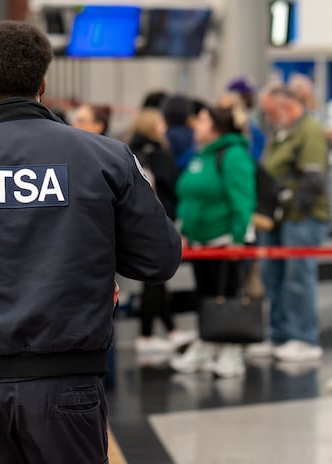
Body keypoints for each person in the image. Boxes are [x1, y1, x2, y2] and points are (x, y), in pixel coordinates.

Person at [0, 20, 182, 463]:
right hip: (69, 387)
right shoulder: (105, 158)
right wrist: (89, 240)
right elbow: (159, 259)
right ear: (43, 84)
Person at [170, 104, 256, 378]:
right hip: (200, 243)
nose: (196, 125)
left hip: (225, 241)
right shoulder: (202, 156)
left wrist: (238, 239)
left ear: (217, 126)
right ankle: (207, 342)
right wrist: (183, 231)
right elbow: (188, 196)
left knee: (227, 296)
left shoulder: (233, 155)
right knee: (206, 297)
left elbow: (243, 200)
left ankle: (232, 350)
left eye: (203, 120)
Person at [247, 86, 329, 363]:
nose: (268, 117)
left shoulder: (310, 132)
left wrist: (289, 206)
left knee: (298, 277)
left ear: (288, 107)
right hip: (277, 219)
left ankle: (304, 337)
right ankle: (280, 334)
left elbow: (314, 179)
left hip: (301, 218)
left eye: (271, 112)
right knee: (273, 274)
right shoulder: (280, 134)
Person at [128, 108, 196, 355]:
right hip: (154, 222)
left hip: (136, 223)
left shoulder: (128, 151)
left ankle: (167, 331)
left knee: (155, 280)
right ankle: (150, 334)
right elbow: (169, 186)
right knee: (153, 280)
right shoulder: (157, 154)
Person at [226, 76, 266, 161]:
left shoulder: (247, 118)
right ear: (239, 97)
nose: (252, 98)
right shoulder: (235, 120)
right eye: (249, 95)